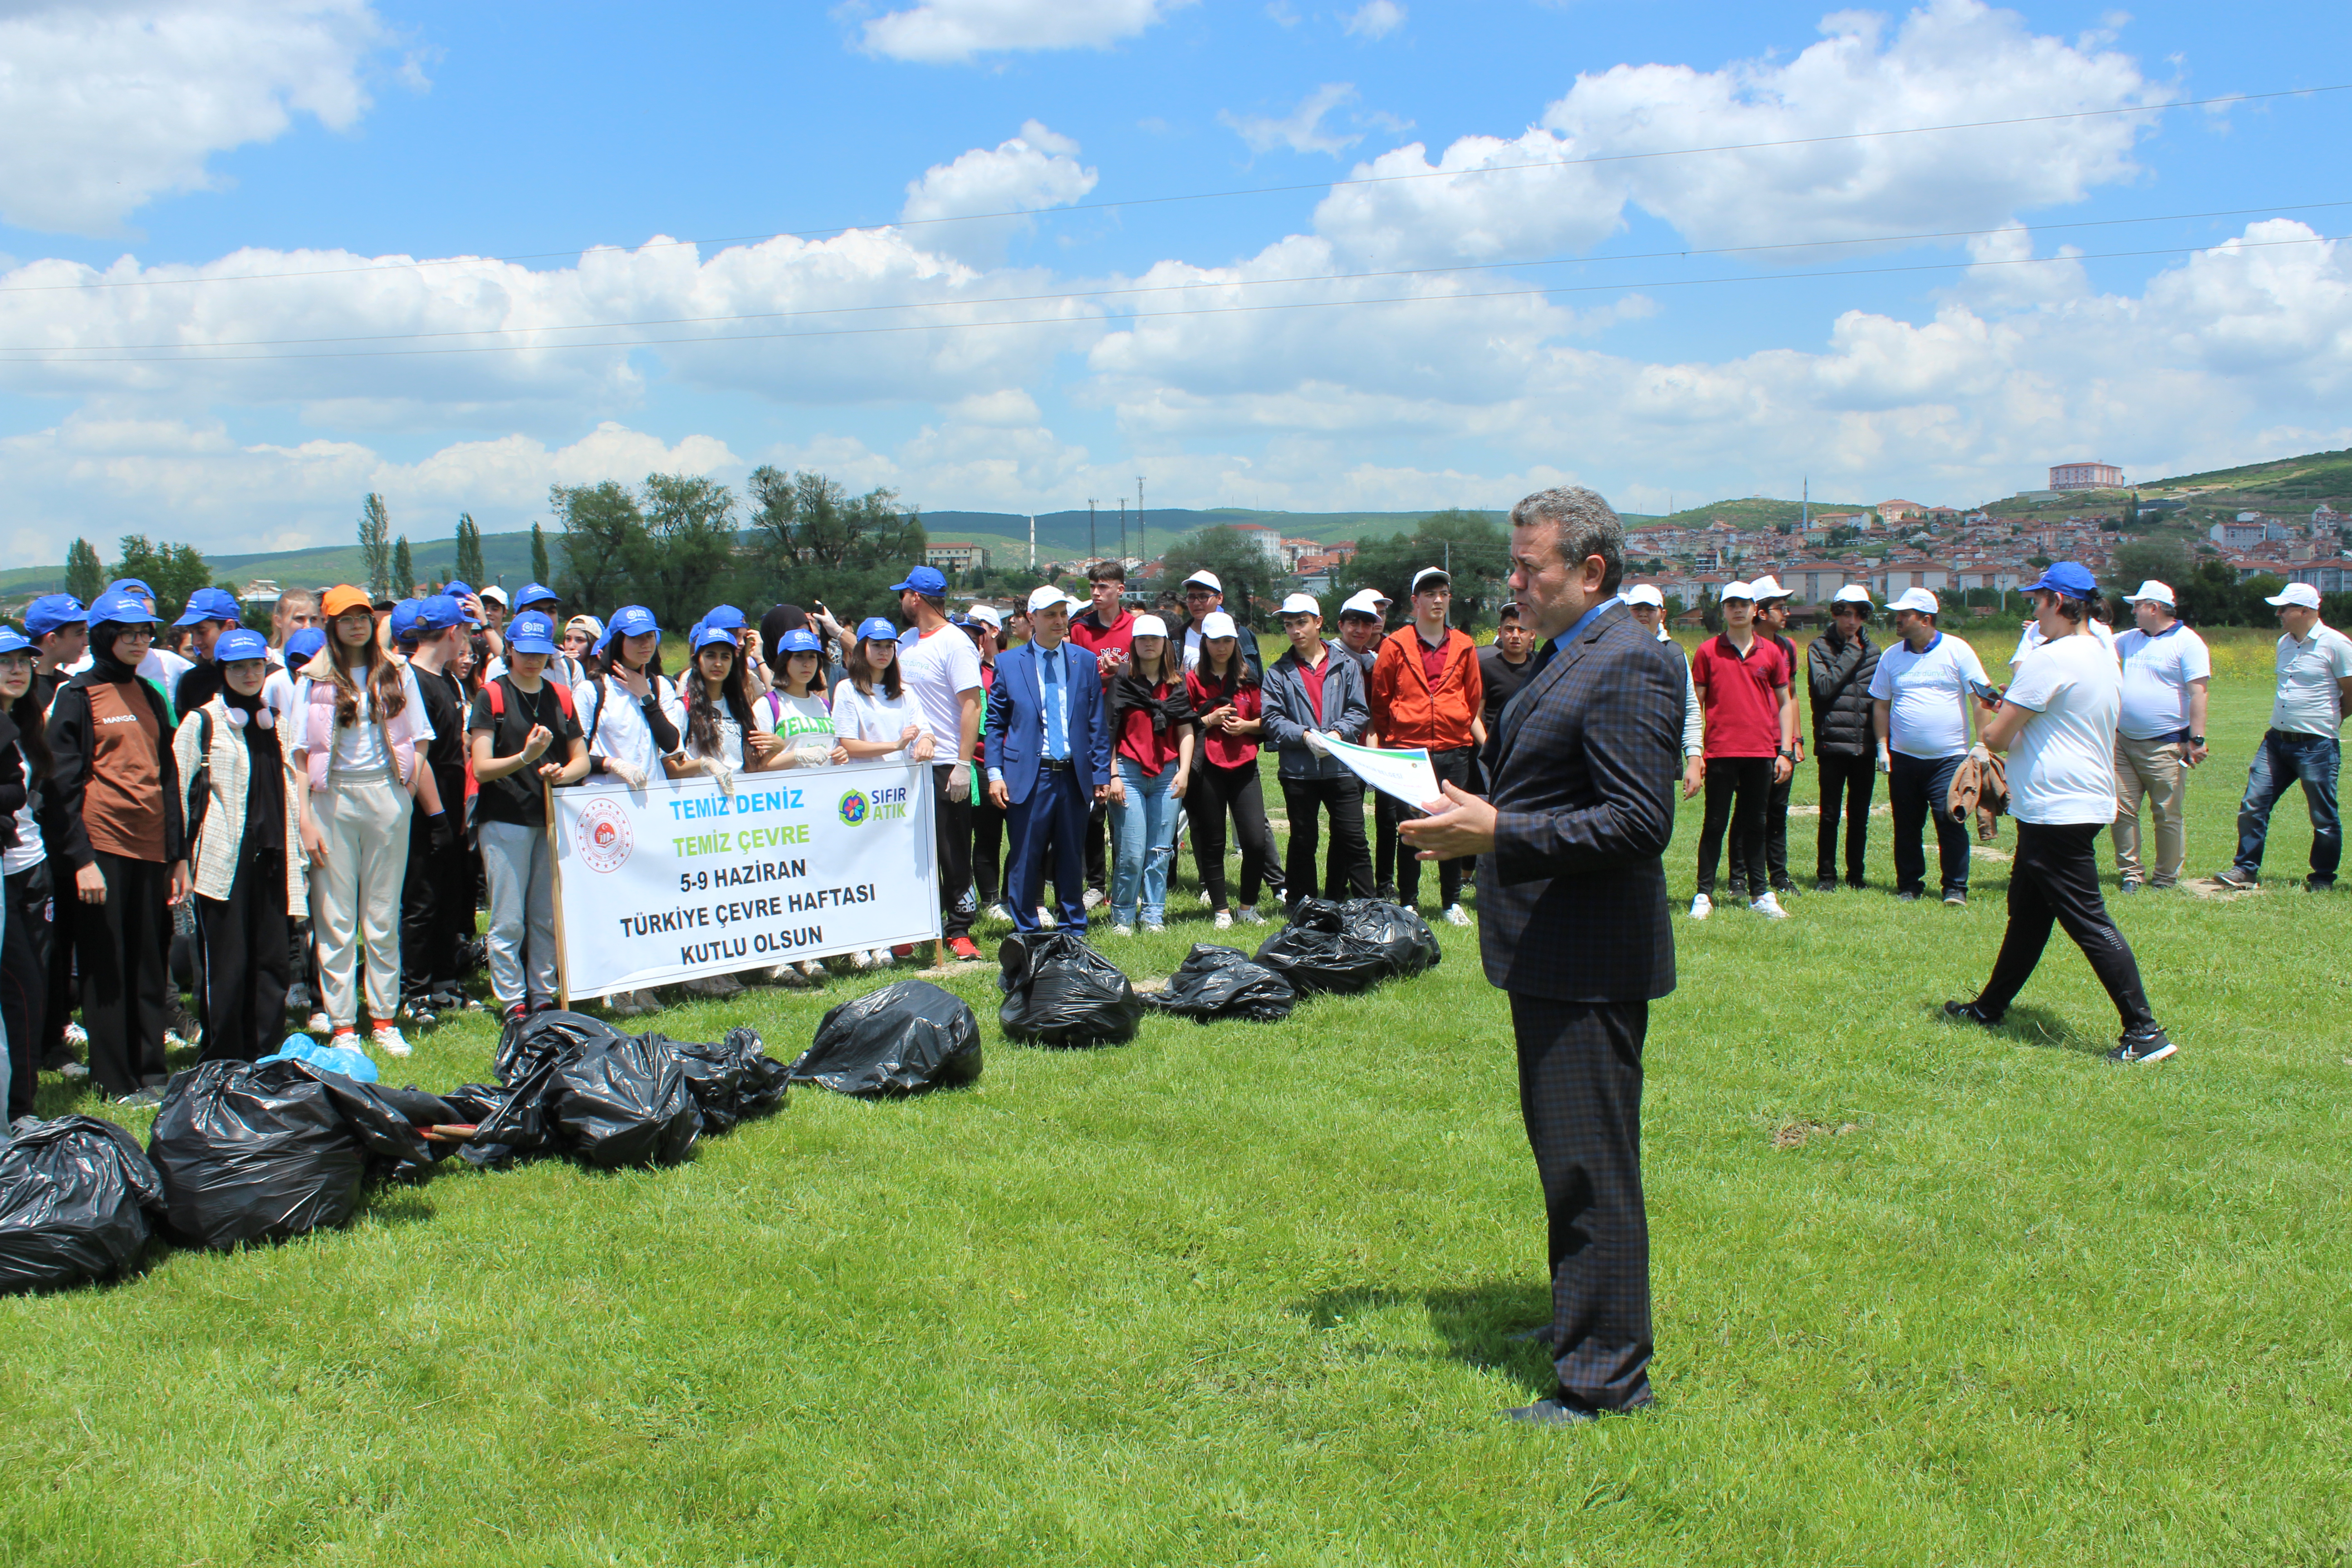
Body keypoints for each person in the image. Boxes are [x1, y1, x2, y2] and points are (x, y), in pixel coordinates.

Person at [1397, 484, 1681, 1425]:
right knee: (1567, 1158)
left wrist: (1499, 833)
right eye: (1513, 565)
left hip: (1590, 959)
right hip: (1551, 952)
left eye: (1531, 567)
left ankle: (1604, 1383)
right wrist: (1472, 814)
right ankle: (1581, 1317)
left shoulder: (1630, 661)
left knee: (1592, 1164)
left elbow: (1640, 825)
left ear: (1591, 571)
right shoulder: (1571, 655)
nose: (1512, 585)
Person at [1945, 564, 2173, 1064]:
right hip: (2081, 799)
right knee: (2028, 914)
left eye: (2037, 602)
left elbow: (1996, 737)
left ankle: (2145, 1032)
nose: (2033, 612)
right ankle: (1989, 1008)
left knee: (2088, 919)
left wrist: (1987, 709)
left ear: (2059, 602)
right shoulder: (2100, 651)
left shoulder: (2050, 659)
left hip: (2056, 807)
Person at [42, 589, 187, 1103]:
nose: (138, 641)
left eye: (145, 633)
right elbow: (61, 788)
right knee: (108, 966)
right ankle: (115, 1078)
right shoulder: (79, 697)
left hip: (152, 850)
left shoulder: (150, 694)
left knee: (149, 963)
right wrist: (81, 862)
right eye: (127, 633)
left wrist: (177, 855)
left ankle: (151, 1071)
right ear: (104, 637)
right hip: (102, 849)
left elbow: (166, 777)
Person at [290, 584, 440, 1059]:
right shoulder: (310, 679)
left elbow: (420, 738)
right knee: (334, 917)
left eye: (362, 616)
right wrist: (305, 818)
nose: (356, 625)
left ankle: (383, 1019)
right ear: (330, 624)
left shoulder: (397, 672)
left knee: (381, 916)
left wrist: (406, 791)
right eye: (345, 617)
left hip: (386, 794)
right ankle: (341, 1026)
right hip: (331, 798)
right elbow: (297, 754)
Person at [172, 628, 303, 1063]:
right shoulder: (202, 721)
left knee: (272, 961)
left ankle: (264, 1052)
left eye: (257, 667)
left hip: (272, 857)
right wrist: (178, 859)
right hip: (223, 861)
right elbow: (177, 793)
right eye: (238, 668)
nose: (250, 675)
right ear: (222, 671)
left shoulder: (275, 719)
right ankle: (223, 1056)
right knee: (227, 965)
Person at [467, 611, 587, 1024]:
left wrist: (560, 773)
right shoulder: (492, 696)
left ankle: (543, 993)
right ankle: (513, 1000)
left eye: (541, 653)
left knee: (545, 914)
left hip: (549, 817)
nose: (533, 661)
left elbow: (581, 761)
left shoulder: (560, 696)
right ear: (510, 650)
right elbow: (481, 768)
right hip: (504, 817)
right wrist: (526, 758)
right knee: (507, 916)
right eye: (525, 653)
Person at [987, 585, 1117, 934]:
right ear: (1032, 619)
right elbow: (996, 722)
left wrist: (1101, 772)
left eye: (1063, 614)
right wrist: (995, 773)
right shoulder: (1008, 663)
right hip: (1029, 774)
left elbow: (1096, 722)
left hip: (1074, 774)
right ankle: (1027, 927)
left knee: (1071, 852)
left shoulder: (1084, 661)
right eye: (1050, 615)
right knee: (1026, 855)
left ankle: (1073, 926)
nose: (1060, 622)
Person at [2215, 581, 2352, 891]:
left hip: (2317, 745)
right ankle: (2244, 870)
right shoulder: (2284, 643)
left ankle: (2322, 879)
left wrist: (2331, 719)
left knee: (2323, 817)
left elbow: (2351, 691)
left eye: (2285, 608)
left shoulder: (2337, 644)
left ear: (2305, 611)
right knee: (2254, 803)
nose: (2279, 614)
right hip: (2276, 741)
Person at [1369, 567, 1485, 925]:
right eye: (1430, 594)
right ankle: (1409, 901)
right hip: (1409, 751)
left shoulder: (1465, 645)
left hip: (1453, 748)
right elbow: (1381, 699)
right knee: (1412, 827)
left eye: (1443, 593)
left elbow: (1473, 698)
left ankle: (1451, 903)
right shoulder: (1395, 645)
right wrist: (1398, 736)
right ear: (1415, 601)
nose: (1437, 600)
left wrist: (1456, 724)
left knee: (1452, 823)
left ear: (1449, 599)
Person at [1868, 587, 1988, 906]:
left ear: (1925, 619)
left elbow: (1981, 699)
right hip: (1904, 759)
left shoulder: (1957, 650)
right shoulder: (1892, 656)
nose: (1898, 620)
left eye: (1904, 615)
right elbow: (1881, 705)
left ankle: (1955, 888)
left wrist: (1981, 744)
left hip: (1949, 759)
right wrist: (1883, 746)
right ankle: (1908, 885)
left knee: (1950, 820)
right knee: (1907, 825)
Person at [888, 567, 984, 962]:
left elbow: (971, 705)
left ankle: (958, 927)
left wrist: (963, 763)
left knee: (953, 847)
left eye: (903, 595)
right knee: (910, 848)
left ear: (915, 598)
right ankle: (913, 923)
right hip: (907, 763)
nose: (900, 602)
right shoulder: (904, 642)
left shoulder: (955, 643)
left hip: (946, 761)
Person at [1686, 582, 1795, 921]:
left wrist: (1786, 750)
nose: (1738, 610)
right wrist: (1696, 753)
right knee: (1715, 823)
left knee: (1757, 823)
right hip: (1720, 751)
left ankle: (1760, 893)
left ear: (1755, 610)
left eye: (1743, 604)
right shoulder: (1708, 651)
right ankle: (1704, 894)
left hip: (1761, 751)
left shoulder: (1772, 652)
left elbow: (1785, 704)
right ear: (1723, 611)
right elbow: (1697, 704)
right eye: (1730, 604)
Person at [392, 596, 478, 1017]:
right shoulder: (412, 678)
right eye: (463, 630)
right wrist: (437, 815)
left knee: (448, 894)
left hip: (451, 795)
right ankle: (415, 990)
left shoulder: (448, 680)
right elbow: (417, 754)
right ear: (451, 633)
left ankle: (446, 982)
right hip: (428, 802)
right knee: (422, 898)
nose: (465, 638)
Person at [1261, 593, 1373, 906]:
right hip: (1299, 772)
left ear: (1318, 623)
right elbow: (1271, 719)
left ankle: (1368, 906)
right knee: (1303, 839)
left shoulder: (1346, 666)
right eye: (1288, 625)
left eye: (1301, 622)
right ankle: (1302, 905)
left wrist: (1337, 734)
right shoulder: (1278, 672)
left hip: (1341, 767)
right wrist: (1305, 735)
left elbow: (1359, 710)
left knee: (1354, 839)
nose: (1295, 631)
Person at [2111, 579, 2211, 893]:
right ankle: (2131, 873)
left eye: (2138, 606)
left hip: (2166, 744)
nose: (2133, 611)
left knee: (2167, 813)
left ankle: (2166, 878)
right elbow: (2093, 642)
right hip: (2123, 741)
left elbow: (2199, 694)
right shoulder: (2130, 640)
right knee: (2121, 810)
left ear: (2154, 608)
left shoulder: (2188, 643)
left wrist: (2196, 740)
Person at [1186, 610, 1277, 929]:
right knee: (1213, 841)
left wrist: (1247, 726)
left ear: (1236, 643)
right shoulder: (1194, 679)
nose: (1221, 647)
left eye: (1227, 641)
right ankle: (1222, 911)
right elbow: (1182, 722)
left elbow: (1269, 721)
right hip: (1208, 767)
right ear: (1205, 643)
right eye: (1215, 641)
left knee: (1255, 842)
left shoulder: (1249, 677)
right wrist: (1207, 720)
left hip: (1244, 767)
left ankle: (1247, 908)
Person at [1104, 615, 1194, 935]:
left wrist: (1184, 771)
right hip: (1128, 771)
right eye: (1142, 639)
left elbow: (1186, 727)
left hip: (1167, 773)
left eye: (1155, 639)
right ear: (1134, 643)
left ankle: (1154, 914)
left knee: (1160, 851)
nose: (1149, 644)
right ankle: (1124, 915)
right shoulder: (1123, 680)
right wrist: (1112, 774)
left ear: (1165, 644)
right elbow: (1109, 730)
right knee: (1130, 850)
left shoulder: (1177, 683)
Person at [1, 626, 53, 1119]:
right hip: (3, 873)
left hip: (33, 868)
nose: (17, 670)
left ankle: (26, 1097)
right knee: (22, 991)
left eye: (24, 661)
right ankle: (18, 1109)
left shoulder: (26, 722)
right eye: (6, 662)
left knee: (34, 986)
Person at [1725, 577, 1803, 901]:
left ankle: (1779, 875)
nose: (1785, 613)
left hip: (1779, 742)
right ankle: (1738, 878)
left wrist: (1794, 739)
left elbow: (1792, 695)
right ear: (1760, 612)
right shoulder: (1741, 647)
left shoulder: (1787, 647)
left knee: (1777, 811)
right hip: (1751, 743)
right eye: (1779, 607)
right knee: (1746, 812)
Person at [1070, 561, 1136, 910]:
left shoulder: (1136, 627)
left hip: (1129, 723)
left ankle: (1129, 882)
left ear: (1120, 590)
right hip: (1091, 724)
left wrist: (1120, 670)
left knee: (1127, 805)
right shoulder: (1081, 629)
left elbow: (1148, 670)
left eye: (1104, 586)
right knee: (1094, 808)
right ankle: (1095, 884)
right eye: (1093, 586)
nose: (1096, 593)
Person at [1808, 585, 1882, 891]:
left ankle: (1856, 876)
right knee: (1829, 815)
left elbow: (1879, 700)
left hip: (1864, 744)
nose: (1852, 621)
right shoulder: (1819, 647)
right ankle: (1826, 876)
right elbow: (1823, 688)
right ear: (1835, 613)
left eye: (1859, 614)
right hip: (1832, 743)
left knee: (1859, 816)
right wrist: (1852, 652)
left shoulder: (1876, 652)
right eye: (1846, 613)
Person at [1624, 587, 1705, 794]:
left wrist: (1694, 761)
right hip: (1619, 762)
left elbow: (1690, 708)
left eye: (1650, 609)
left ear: (1663, 613)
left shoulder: (1676, 655)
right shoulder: (1611, 650)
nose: (1643, 614)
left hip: (1663, 761)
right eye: (1637, 609)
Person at [959, 610, 1010, 922]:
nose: (973, 638)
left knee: (1019, 837)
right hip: (976, 764)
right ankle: (989, 899)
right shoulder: (965, 671)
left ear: (992, 631)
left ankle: (1012, 896)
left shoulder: (1009, 665)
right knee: (986, 835)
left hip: (1012, 763)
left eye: (978, 630)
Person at [1477, 602, 1536, 779]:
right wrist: (1489, 747)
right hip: (1495, 756)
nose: (1515, 636)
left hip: (1531, 754)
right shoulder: (1486, 668)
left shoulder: (1542, 667)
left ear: (1532, 634)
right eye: (1509, 629)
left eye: (1522, 630)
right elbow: (1474, 717)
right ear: (1500, 633)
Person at [169, 587, 246, 715]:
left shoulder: (261, 675)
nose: (195, 642)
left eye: (202, 632)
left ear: (230, 627)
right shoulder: (192, 681)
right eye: (192, 633)